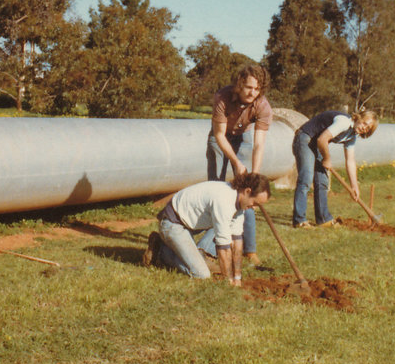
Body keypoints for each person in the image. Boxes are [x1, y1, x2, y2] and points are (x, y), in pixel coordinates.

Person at [197, 63, 272, 265]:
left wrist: (253, 179)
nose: (252, 92)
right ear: (239, 83)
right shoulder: (222, 97)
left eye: (257, 89)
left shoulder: (262, 105)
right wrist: (236, 163)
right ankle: (208, 247)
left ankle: (250, 250)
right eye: (249, 87)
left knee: (246, 194)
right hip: (219, 138)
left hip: (243, 137)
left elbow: (258, 144)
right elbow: (220, 136)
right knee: (218, 192)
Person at [143, 173, 271, 286]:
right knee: (202, 274)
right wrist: (228, 280)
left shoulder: (240, 204)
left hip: (191, 224)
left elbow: (237, 241)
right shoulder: (224, 200)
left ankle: (195, 254)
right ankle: (160, 250)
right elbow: (224, 246)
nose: (254, 208)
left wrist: (237, 277)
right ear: (247, 191)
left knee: (222, 231)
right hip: (173, 224)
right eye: (254, 203)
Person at [292, 109, 378, 228]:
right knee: (306, 178)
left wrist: (354, 186)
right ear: (358, 118)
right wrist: (327, 159)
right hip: (305, 138)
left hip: (317, 144)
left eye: (368, 128)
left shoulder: (352, 136)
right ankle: (299, 220)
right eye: (364, 123)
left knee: (322, 181)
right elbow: (322, 139)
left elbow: (350, 161)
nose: (364, 128)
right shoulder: (344, 122)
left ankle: (323, 219)